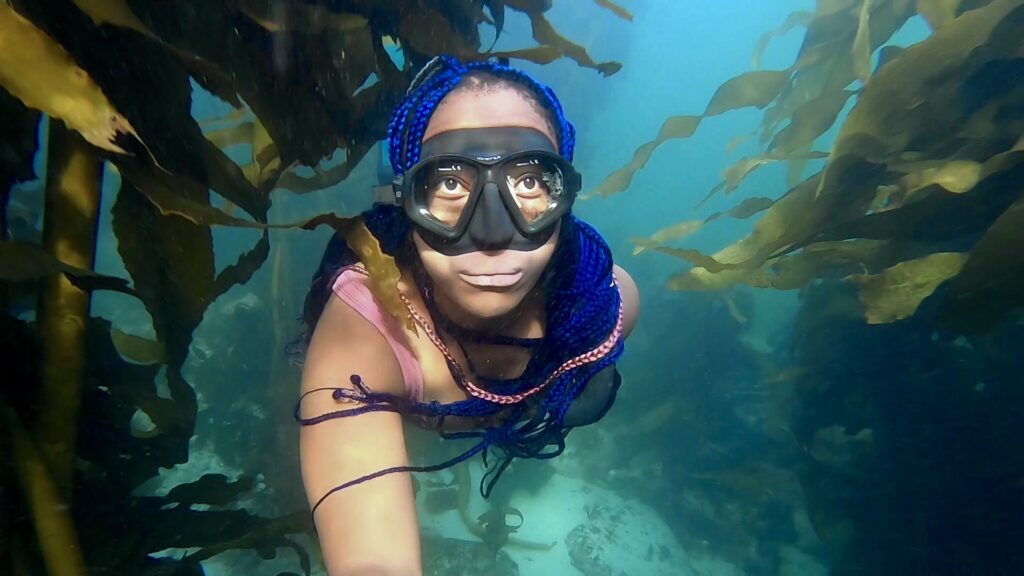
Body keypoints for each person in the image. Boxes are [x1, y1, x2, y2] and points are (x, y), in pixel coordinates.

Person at [295, 55, 640, 576]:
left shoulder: (606, 304)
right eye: (449, 185)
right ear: (406, 202)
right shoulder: (362, 334)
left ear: (563, 197)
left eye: (529, 184)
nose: (493, 235)